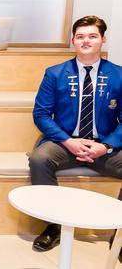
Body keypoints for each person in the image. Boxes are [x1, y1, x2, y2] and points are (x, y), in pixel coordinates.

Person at [29, 15, 122, 261]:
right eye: (80, 36)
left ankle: (120, 234)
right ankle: (53, 226)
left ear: (103, 39)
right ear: (73, 41)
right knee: (39, 159)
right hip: (65, 142)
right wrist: (68, 141)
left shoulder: (119, 75)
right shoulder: (55, 73)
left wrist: (106, 145)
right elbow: (40, 114)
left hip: (103, 145)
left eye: (92, 36)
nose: (86, 41)